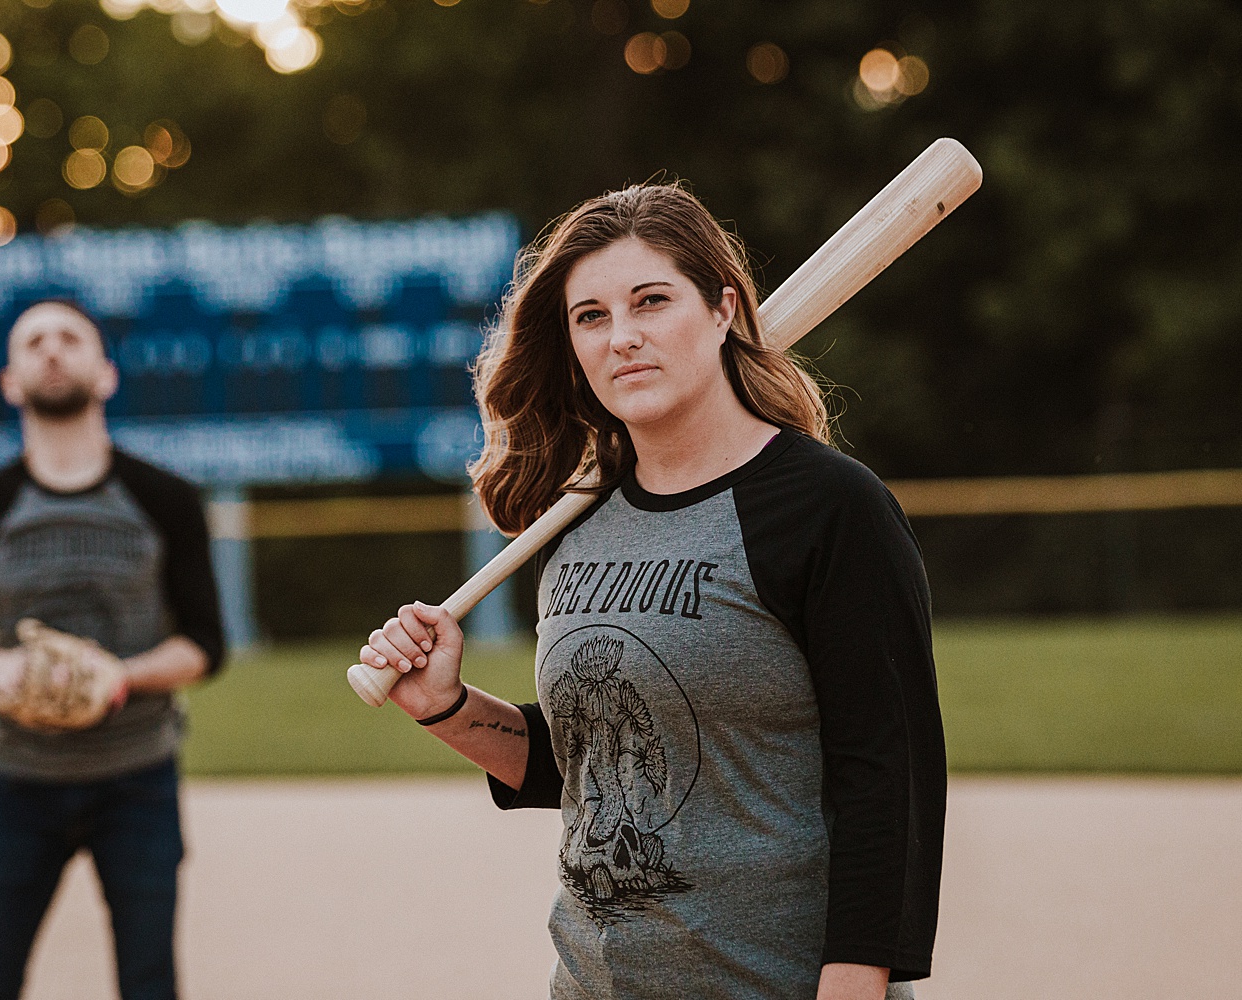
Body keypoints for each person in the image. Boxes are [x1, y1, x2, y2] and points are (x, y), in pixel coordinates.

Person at [359, 185, 946, 1000]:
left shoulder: (827, 508)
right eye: (591, 316)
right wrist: (447, 707)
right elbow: (589, 764)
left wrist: (854, 984)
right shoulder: (574, 520)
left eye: (651, 301)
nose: (623, 338)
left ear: (722, 310)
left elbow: (890, 775)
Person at [0, 300, 225, 1000]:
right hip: (20, 780)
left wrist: (120, 677)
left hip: (138, 779)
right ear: (11, 381)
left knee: (149, 984)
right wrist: (1, 667)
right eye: (34, 342)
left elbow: (206, 644)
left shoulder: (164, 498)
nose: (52, 351)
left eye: (70, 338)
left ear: (106, 373)